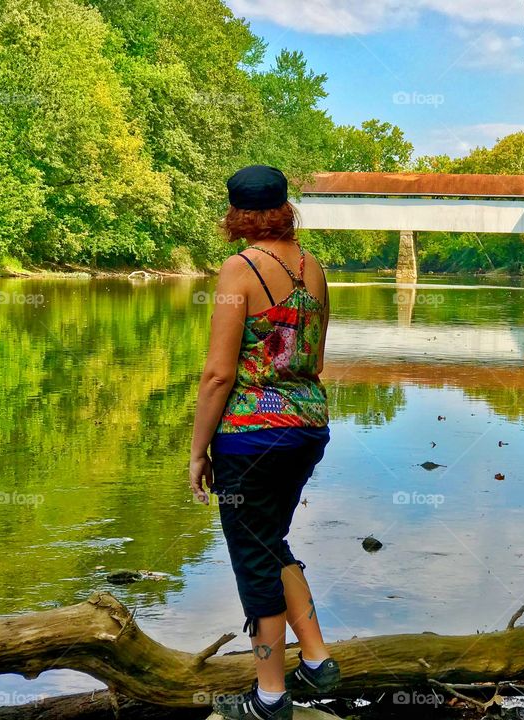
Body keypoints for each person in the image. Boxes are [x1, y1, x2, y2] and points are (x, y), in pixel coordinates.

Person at [189, 165, 340, 720]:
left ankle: (270, 696)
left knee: (254, 558)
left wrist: (198, 451)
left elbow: (218, 375)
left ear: (236, 215)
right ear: (284, 209)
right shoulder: (313, 267)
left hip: (252, 438)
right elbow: (314, 360)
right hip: (307, 429)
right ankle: (317, 660)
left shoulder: (240, 268)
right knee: (271, 542)